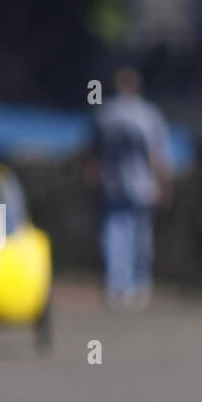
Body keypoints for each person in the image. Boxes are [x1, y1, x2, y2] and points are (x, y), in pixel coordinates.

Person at [86, 68, 172, 310]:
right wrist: (165, 184)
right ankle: (139, 284)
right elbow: (157, 156)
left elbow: (92, 153)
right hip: (143, 186)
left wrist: (92, 178)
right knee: (140, 236)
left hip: (112, 185)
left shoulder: (105, 114)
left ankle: (116, 286)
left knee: (114, 234)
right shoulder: (147, 114)